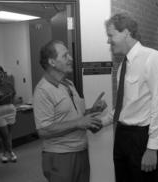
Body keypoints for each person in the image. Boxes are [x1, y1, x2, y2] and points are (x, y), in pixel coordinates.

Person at [101, 13, 158, 182]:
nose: (108, 41)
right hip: (122, 135)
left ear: (125, 32)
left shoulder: (153, 58)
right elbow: (124, 106)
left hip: (141, 138)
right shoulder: (122, 66)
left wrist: (152, 148)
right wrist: (102, 122)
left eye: (111, 35)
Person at [33, 40, 106, 182]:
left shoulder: (69, 84)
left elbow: (76, 118)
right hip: (61, 156)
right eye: (65, 56)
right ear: (52, 62)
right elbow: (43, 130)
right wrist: (79, 122)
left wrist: (92, 111)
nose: (71, 59)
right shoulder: (43, 90)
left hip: (81, 151)